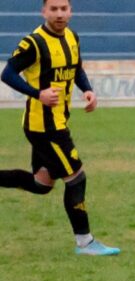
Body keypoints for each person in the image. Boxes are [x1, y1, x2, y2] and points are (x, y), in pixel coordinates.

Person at [0, 0, 119, 256]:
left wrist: (87, 90)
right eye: (53, 9)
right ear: (43, 11)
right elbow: (7, 74)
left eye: (64, 9)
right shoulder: (34, 43)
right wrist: (37, 93)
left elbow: (76, 69)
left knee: (42, 184)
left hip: (58, 121)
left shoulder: (72, 37)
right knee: (76, 177)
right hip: (44, 127)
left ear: (71, 11)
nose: (59, 14)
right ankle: (85, 242)